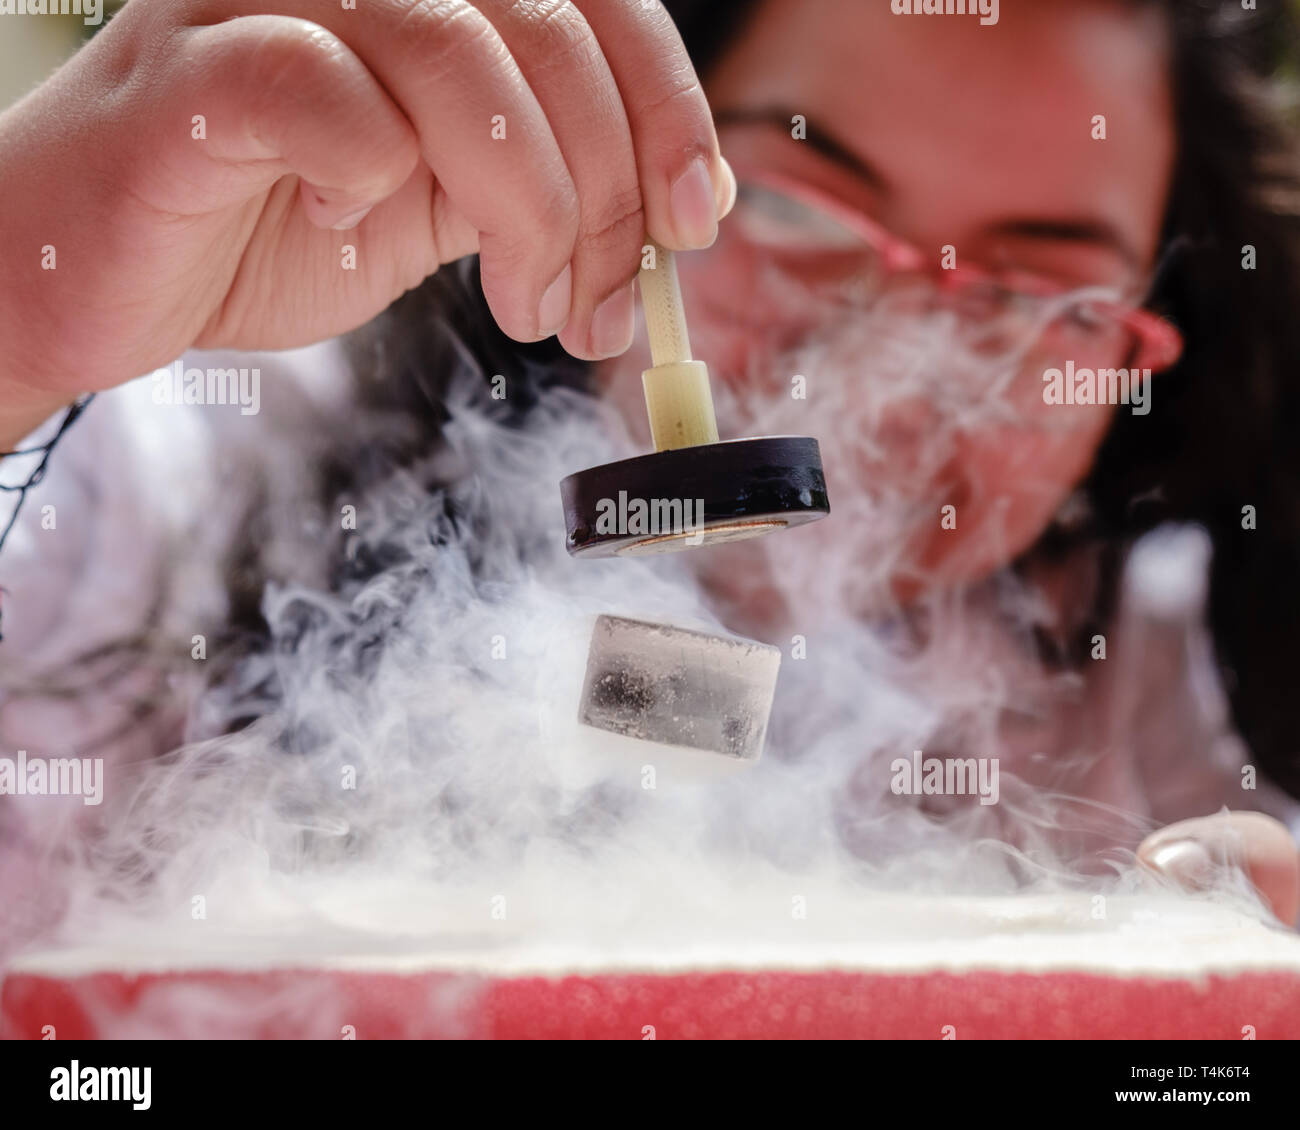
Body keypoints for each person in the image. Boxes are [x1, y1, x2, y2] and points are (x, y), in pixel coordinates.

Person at [0, 0, 1297, 925]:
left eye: (1035, 290)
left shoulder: (1144, 680)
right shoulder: (203, 471)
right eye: (788, 204)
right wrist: (24, 302)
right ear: (615, 164)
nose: (884, 362)